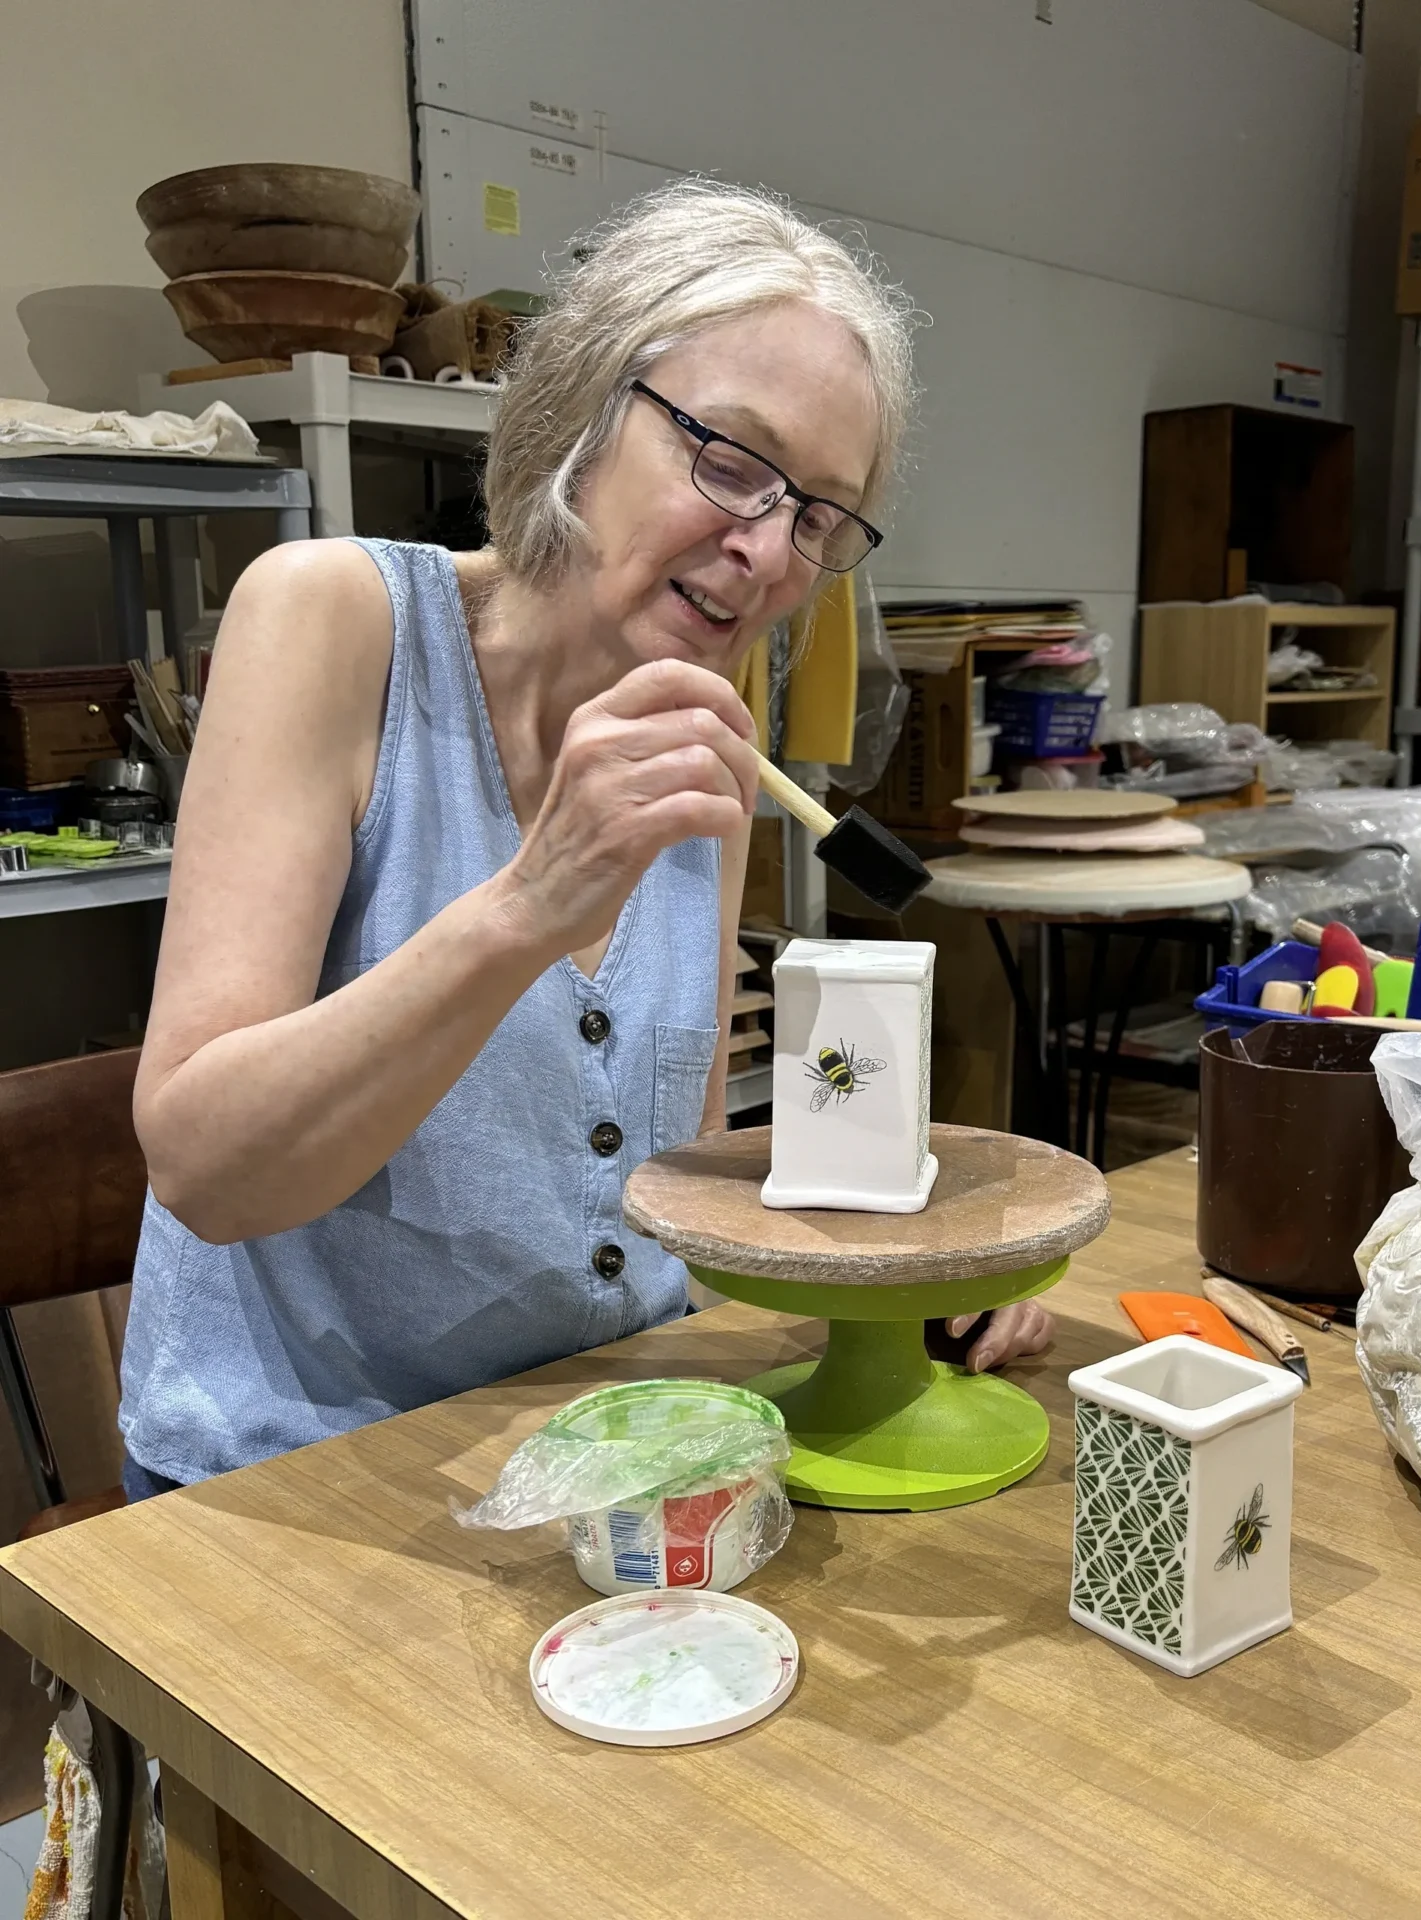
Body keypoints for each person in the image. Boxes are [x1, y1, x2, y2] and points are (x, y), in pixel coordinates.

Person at [117, 180, 1051, 1498]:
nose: (770, 551)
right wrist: (526, 907)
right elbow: (208, 1173)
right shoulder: (333, 622)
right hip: (300, 1476)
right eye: (730, 461)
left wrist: (892, 1279)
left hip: (595, 1450)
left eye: (821, 516)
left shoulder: (701, 735)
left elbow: (639, 1164)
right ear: (579, 413)